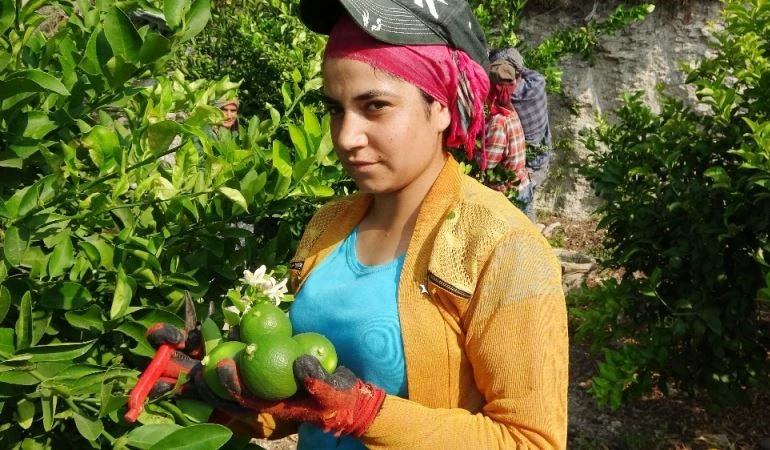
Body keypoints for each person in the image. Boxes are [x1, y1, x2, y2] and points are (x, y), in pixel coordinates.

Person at [142, 0, 568, 448]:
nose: (346, 137)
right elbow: (300, 405)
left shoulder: (502, 246)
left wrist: (366, 413)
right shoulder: (329, 225)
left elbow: (530, 440)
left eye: (376, 106)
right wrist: (226, 394)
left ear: (441, 104)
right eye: (336, 109)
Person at [489, 47, 552, 222]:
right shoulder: (537, 84)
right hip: (540, 161)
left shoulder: (503, 103)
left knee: (518, 215)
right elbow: (527, 71)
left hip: (518, 172)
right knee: (526, 211)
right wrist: (512, 62)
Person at [482, 57, 532, 207]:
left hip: (510, 194)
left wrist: (473, 150)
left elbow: (489, 162)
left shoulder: (498, 121)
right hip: (523, 185)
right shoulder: (509, 109)